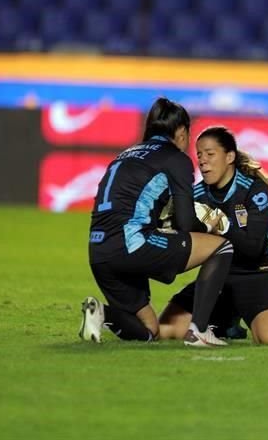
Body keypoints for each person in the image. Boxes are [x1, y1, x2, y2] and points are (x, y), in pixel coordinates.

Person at [79, 97, 233, 347]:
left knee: (149, 330)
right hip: (131, 244)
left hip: (98, 251)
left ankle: (101, 314)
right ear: (181, 132)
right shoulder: (176, 159)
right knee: (222, 247)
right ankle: (199, 331)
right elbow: (185, 223)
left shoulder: (125, 154)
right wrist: (208, 225)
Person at [158, 126, 268, 345]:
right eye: (199, 155)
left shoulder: (254, 191)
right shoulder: (197, 196)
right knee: (166, 329)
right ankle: (225, 324)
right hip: (217, 278)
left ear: (229, 156)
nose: (202, 161)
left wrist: (220, 225)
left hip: (257, 274)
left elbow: (253, 248)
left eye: (210, 154)